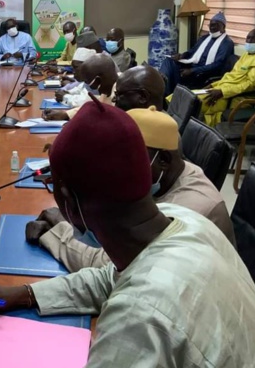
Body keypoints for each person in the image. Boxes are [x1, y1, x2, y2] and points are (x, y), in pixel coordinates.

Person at [0, 102, 255, 368]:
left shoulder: (138, 319)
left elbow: (136, 300)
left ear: (67, 200)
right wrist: (22, 294)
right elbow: (111, 279)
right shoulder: (184, 222)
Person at [27, 105, 236, 272]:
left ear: (163, 159)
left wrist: (56, 230)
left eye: (132, 158)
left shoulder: (191, 208)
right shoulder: (170, 175)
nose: (122, 167)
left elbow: (108, 267)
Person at [197, 27, 255, 126]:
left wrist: (223, 92)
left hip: (234, 97)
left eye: (254, 39)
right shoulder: (247, 54)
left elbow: (251, 85)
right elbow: (232, 76)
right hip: (221, 89)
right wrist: (213, 84)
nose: (250, 41)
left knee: (190, 103)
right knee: (183, 96)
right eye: (248, 38)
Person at [160, 11, 235, 95]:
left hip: (204, 73)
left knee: (170, 75)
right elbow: (192, 51)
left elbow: (217, 65)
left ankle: (164, 92)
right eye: (211, 25)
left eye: (215, 25)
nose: (212, 28)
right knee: (169, 61)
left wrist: (192, 70)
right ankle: (162, 84)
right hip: (192, 67)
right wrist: (182, 55)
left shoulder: (227, 43)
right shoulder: (205, 38)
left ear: (223, 27)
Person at [43, 53, 117, 121]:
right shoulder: (106, 86)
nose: (86, 85)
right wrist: (66, 114)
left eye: (87, 81)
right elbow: (95, 107)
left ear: (97, 80)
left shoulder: (122, 90)